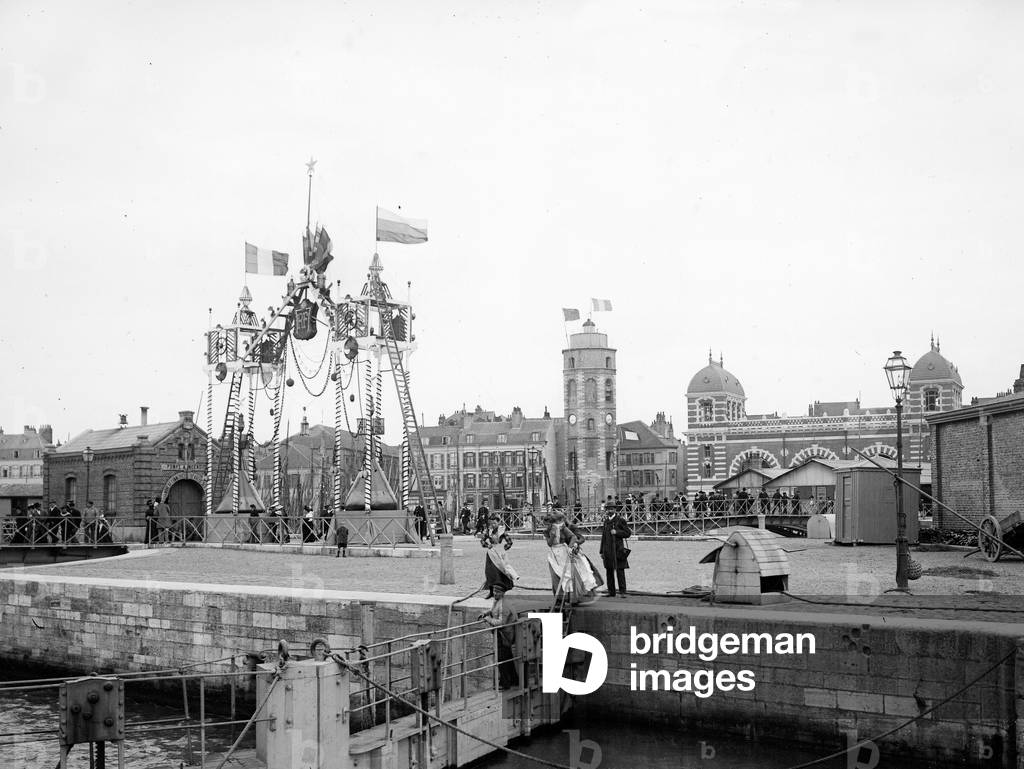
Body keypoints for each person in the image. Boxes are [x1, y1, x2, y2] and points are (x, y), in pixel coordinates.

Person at [542, 510, 598, 606]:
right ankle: (559, 599)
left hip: (566, 552)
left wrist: (571, 547)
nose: (550, 525)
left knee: (570, 575)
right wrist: (552, 535)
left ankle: (573, 598)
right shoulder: (547, 531)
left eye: (551, 523)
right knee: (556, 576)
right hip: (554, 555)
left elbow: (575, 537)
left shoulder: (566, 528)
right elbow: (549, 543)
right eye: (548, 524)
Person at [600, 505, 632, 597]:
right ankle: (611, 592)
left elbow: (628, 533)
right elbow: (603, 537)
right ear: (606, 510)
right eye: (608, 509)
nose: (610, 510)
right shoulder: (606, 521)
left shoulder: (620, 520)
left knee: (620, 571)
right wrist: (601, 551)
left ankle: (622, 592)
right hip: (607, 550)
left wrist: (617, 532)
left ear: (615, 510)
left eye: (612, 509)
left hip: (618, 550)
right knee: (609, 572)